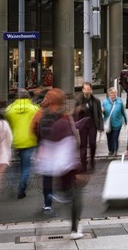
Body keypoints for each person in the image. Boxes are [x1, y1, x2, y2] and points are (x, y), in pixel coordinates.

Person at [31, 89, 84, 239]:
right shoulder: (65, 118)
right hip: (65, 164)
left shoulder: (41, 116)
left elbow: (34, 131)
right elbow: (75, 140)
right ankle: (74, 230)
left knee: (51, 189)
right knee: (74, 196)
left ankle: (48, 206)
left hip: (47, 162)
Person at [4, 89, 39, 199]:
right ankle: (21, 190)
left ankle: (12, 184)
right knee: (26, 167)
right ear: (28, 97)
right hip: (29, 141)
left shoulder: (9, 110)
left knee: (15, 166)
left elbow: (7, 125)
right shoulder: (35, 109)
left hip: (15, 141)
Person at [73, 82, 103, 172]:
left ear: (91, 90)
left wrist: (100, 126)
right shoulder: (79, 100)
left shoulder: (96, 101)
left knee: (93, 144)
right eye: (85, 89)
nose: (87, 91)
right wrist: (78, 110)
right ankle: (83, 163)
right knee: (83, 144)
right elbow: (74, 113)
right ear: (82, 90)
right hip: (83, 125)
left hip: (92, 125)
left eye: (88, 89)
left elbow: (99, 114)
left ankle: (92, 159)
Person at [102, 87, 127, 156]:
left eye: (114, 93)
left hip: (117, 123)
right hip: (108, 123)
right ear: (109, 94)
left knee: (115, 137)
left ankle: (115, 151)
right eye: (111, 93)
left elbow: (123, 111)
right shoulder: (105, 102)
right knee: (109, 138)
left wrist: (125, 120)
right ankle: (110, 150)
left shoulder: (119, 101)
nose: (113, 94)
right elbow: (102, 112)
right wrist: (102, 112)